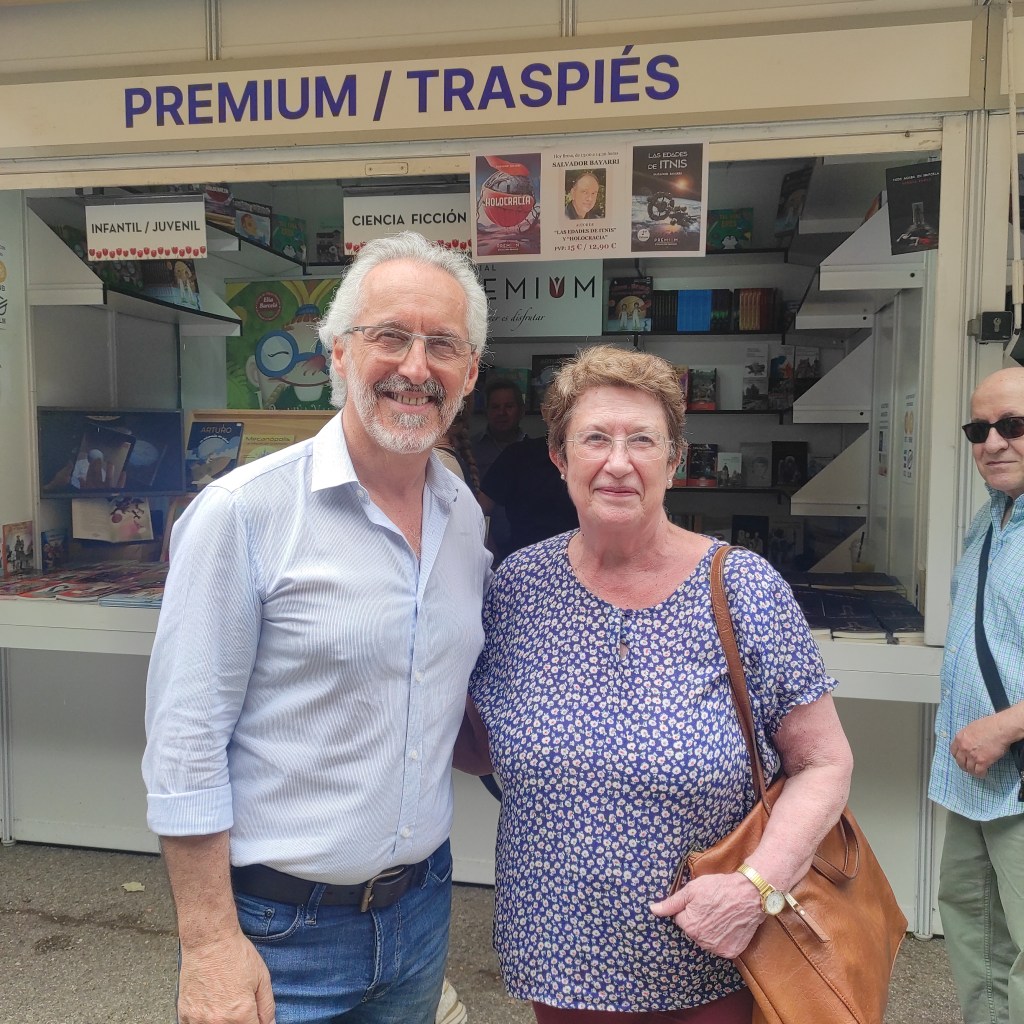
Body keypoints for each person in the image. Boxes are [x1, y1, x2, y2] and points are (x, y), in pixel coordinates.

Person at [142, 231, 490, 1024]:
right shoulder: (243, 513)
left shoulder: (463, 516)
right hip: (277, 935)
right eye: (390, 336)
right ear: (338, 353)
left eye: (442, 344)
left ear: (469, 372)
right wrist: (209, 944)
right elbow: (186, 743)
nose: (416, 367)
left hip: (421, 913)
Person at [461, 345, 853, 1021]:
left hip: (714, 958)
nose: (618, 462)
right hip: (557, 958)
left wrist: (756, 888)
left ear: (674, 461)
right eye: (594, 439)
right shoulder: (518, 587)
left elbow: (824, 762)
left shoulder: (742, 588)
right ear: (559, 458)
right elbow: (480, 747)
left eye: (642, 440)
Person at [928, 366, 1024, 1024]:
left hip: (1014, 767)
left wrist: (1006, 725)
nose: (993, 443)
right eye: (978, 429)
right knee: (977, 935)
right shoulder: (990, 520)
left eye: (1013, 425)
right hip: (976, 782)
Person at [478, 434, 578, 562]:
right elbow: (480, 510)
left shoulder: (593, 458)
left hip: (581, 561)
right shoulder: (518, 454)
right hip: (524, 562)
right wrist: (493, 558)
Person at [471, 376, 527, 482]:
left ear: (521, 411)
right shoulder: (470, 450)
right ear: (486, 412)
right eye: (495, 407)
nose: (501, 413)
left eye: (509, 406)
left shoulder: (534, 451)